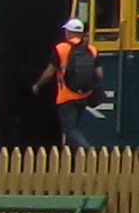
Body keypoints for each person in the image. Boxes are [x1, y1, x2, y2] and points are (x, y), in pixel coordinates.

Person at [34, 13, 106, 153]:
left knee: (69, 129)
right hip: (84, 95)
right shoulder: (91, 49)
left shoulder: (61, 48)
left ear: (69, 32)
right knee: (74, 128)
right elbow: (99, 74)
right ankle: (72, 158)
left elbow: (49, 72)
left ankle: (88, 152)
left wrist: (38, 85)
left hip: (66, 96)